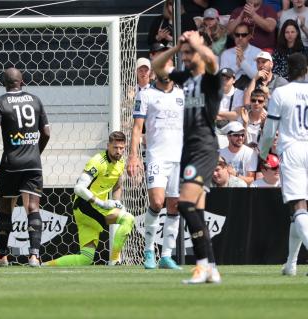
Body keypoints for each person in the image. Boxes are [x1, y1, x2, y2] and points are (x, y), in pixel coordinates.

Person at [152, 30, 222, 284]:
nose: (187, 56)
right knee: (198, 212)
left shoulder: (211, 79)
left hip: (204, 148)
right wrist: (176, 48)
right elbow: (157, 68)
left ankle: (202, 266)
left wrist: (195, 43)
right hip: (189, 149)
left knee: (184, 204)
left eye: (190, 52)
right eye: (185, 53)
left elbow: (213, 62)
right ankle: (211, 268)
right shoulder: (187, 78)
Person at [0, 67, 50, 267]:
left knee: (6, 209)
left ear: (4, 83)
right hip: (33, 163)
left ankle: (2, 256)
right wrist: (35, 152)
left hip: (11, 163)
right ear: (22, 81)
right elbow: (46, 133)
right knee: (33, 208)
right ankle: (34, 256)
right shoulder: (36, 100)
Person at [43, 131, 134, 266]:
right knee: (128, 219)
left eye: (121, 148)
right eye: (115, 147)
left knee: (85, 259)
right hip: (85, 207)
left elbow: (117, 186)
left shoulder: (120, 163)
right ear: (108, 145)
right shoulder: (97, 161)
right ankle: (115, 260)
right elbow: (79, 189)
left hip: (95, 209)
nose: (118, 151)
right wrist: (101, 203)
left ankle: (44, 266)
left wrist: (116, 202)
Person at [128, 56, 184, 270]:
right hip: (157, 156)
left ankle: (167, 255)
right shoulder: (146, 94)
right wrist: (134, 156)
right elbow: (136, 128)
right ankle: (149, 250)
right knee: (157, 202)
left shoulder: (182, 95)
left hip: (179, 157)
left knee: (174, 205)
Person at [259, 52, 308, 276]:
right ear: (306, 70)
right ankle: (291, 264)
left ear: (288, 71)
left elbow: (269, 131)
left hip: (292, 151)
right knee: (299, 212)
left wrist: (262, 151)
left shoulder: (281, 92)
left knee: (298, 206)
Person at [220, 22, 261, 88]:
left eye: (244, 35)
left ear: (249, 36)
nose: (240, 37)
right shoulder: (226, 54)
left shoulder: (257, 52)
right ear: (234, 36)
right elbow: (223, 77)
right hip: (232, 89)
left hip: (252, 90)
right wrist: (237, 66)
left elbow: (255, 76)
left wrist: (242, 61)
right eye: (237, 35)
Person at [216, 67, 244, 148]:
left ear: (234, 80)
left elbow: (236, 115)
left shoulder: (239, 93)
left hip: (233, 129)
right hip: (216, 127)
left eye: (227, 79)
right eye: (222, 79)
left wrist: (217, 113)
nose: (224, 81)